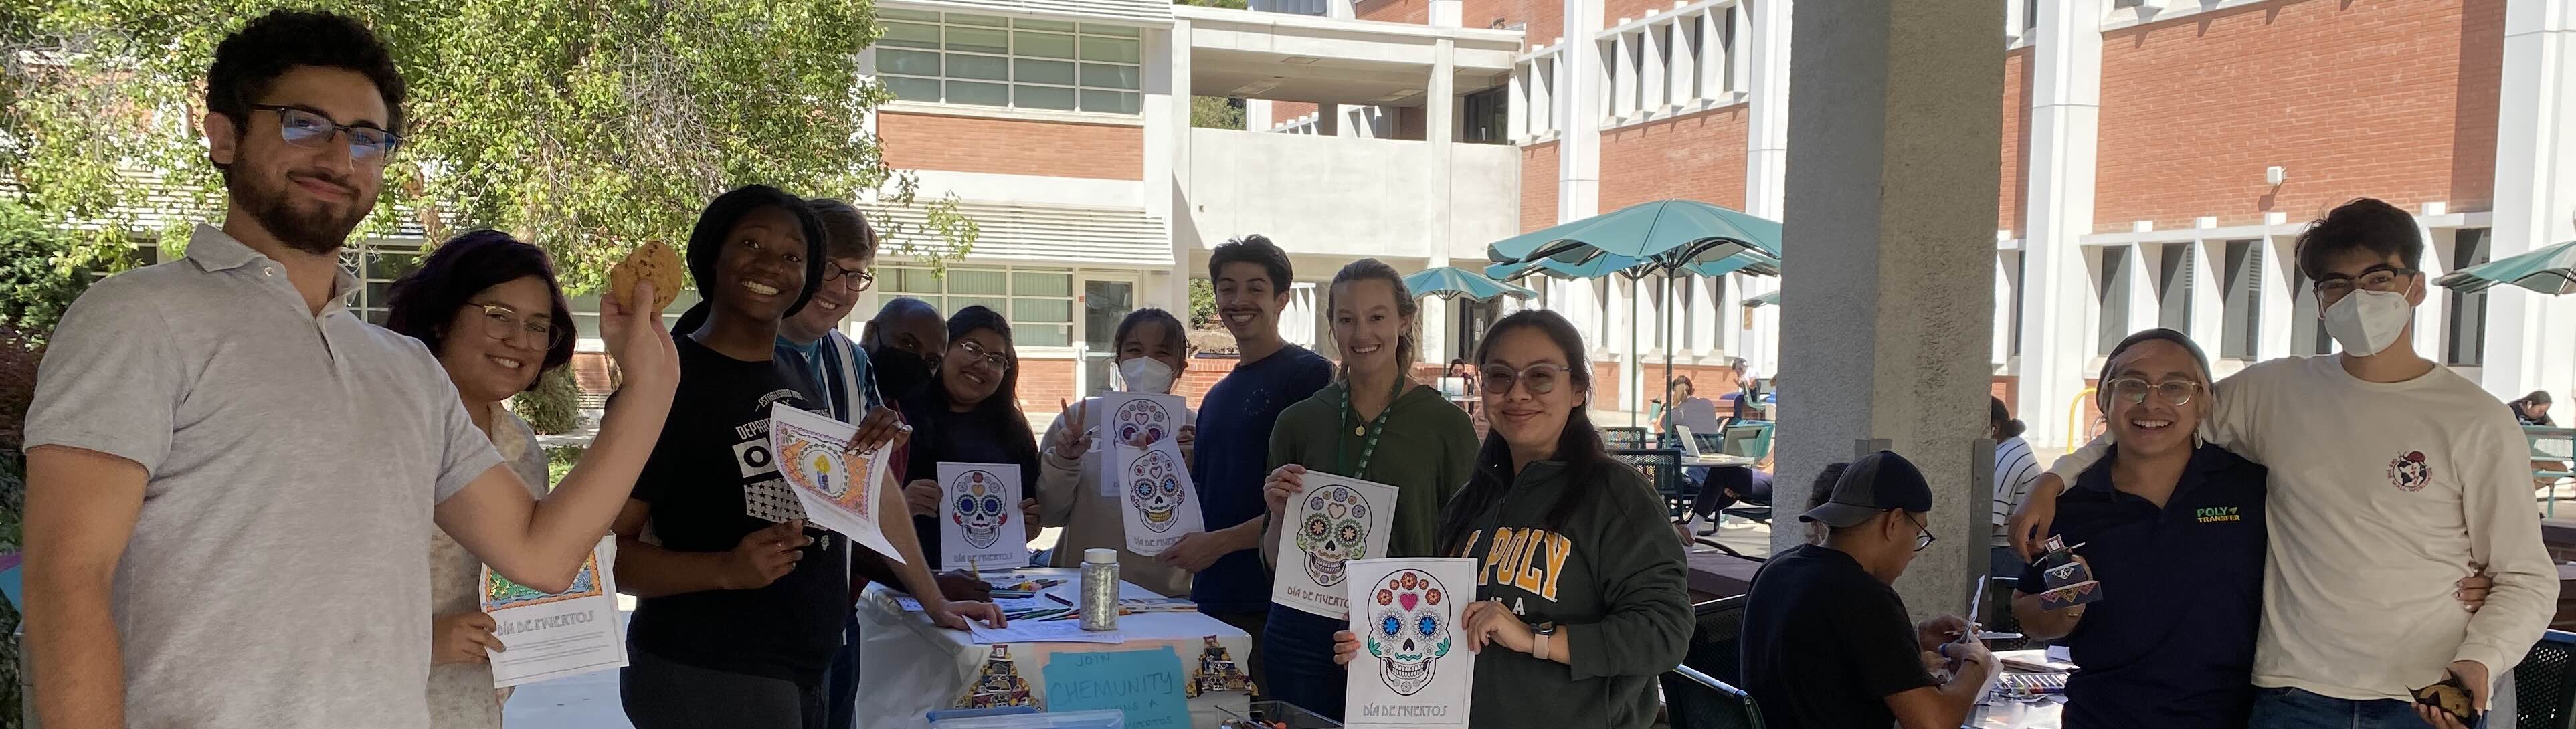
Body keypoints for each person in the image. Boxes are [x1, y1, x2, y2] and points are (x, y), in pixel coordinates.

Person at [20, 12, 678, 728]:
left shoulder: (405, 372)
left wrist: (649, 386)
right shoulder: (139, 317)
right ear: (224, 135)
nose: (340, 157)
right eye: (305, 123)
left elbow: (542, 554)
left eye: (368, 137)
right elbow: (68, 578)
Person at [2011, 199, 2556, 729]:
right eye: (2336, 284)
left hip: (2425, 696)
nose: (2357, 296)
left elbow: (2526, 577)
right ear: (2319, 302)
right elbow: (2156, 413)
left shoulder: (2476, 419)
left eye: (2377, 278)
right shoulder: (2275, 392)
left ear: (2414, 287)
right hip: (2294, 696)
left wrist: (2480, 659)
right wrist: (2055, 478)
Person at [610, 185, 998, 728]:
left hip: (808, 669)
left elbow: (860, 496)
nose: (772, 265)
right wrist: (723, 570)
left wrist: (931, 597)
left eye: (793, 255)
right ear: (711, 257)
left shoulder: (798, 375)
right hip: (710, 672)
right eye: (751, 243)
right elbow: (604, 556)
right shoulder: (671, 380)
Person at [1331, 309, 1689, 729]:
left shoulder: (1617, 495)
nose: (1518, 394)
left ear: (1577, 389)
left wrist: (1534, 639)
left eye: (1540, 376)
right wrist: (1380, 639)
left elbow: (1665, 632)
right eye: (1500, 376)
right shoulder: (1472, 500)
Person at [1257, 259, 1478, 720]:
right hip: (1303, 632)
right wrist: (1279, 513)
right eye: (1346, 318)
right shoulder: (1298, 422)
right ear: (1332, 326)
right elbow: (1277, 563)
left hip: (1402, 634)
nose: (1362, 332)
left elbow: (1465, 548)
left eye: (1377, 317)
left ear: (1404, 320)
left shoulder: (1446, 427)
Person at [380, 231, 579, 728]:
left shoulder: (522, 450)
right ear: (442, 317)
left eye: (538, 326)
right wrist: (423, 642)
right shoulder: (382, 431)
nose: (520, 340)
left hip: (474, 708)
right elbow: (304, 593)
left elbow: (529, 577)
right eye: (498, 316)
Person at [1740, 451, 1997, 729]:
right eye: (1919, 534)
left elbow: (1831, 660)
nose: (1914, 551)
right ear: (1894, 522)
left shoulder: (1775, 571)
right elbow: (1935, 722)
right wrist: (1977, 662)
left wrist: (1914, 639)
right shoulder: (1866, 597)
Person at [1177, 235, 1337, 682]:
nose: (1239, 300)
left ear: (1282, 299)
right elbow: (1216, 490)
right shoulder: (1216, 397)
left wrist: (1219, 544)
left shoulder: (1308, 377)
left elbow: (1310, 500)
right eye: (1227, 288)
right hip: (1212, 599)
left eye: (1255, 288)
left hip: (1274, 607)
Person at [1036, 308, 1200, 596]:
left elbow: (1204, 526)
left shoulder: (1194, 429)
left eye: (1161, 353)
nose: (1146, 362)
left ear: (1180, 368)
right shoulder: (1080, 420)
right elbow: (1049, 514)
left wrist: (1194, 468)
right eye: (1135, 350)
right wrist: (1065, 459)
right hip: (1081, 589)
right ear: (1119, 361)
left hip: (1164, 596)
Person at [896, 305, 1046, 568]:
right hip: (910, 581)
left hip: (992, 583)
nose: (982, 365)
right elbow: (861, 507)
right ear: (945, 348)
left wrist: (1028, 526)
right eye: (973, 349)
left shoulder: (1014, 433)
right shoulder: (899, 417)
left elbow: (1028, 513)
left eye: (996, 359)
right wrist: (899, 505)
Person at [1989, 396, 2041, 579]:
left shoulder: (2006, 458)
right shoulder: (2014, 447)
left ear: (1994, 427)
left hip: (2006, 555)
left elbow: (1990, 524)